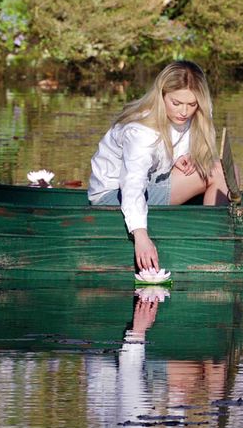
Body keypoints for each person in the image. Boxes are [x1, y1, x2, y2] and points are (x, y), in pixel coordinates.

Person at [88, 60, 230, 270]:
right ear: (161, 95)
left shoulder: (190, 115)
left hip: (152, 182)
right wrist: (141, 236)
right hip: (112, 195)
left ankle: (214, 234)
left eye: (192, 104)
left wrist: (179, 158)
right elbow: (132, 184)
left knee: (226, 170)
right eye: (176, 103)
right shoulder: (140, 130)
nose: (184, 111)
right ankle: (212, 242)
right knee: (218, 171)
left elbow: (165, 150)